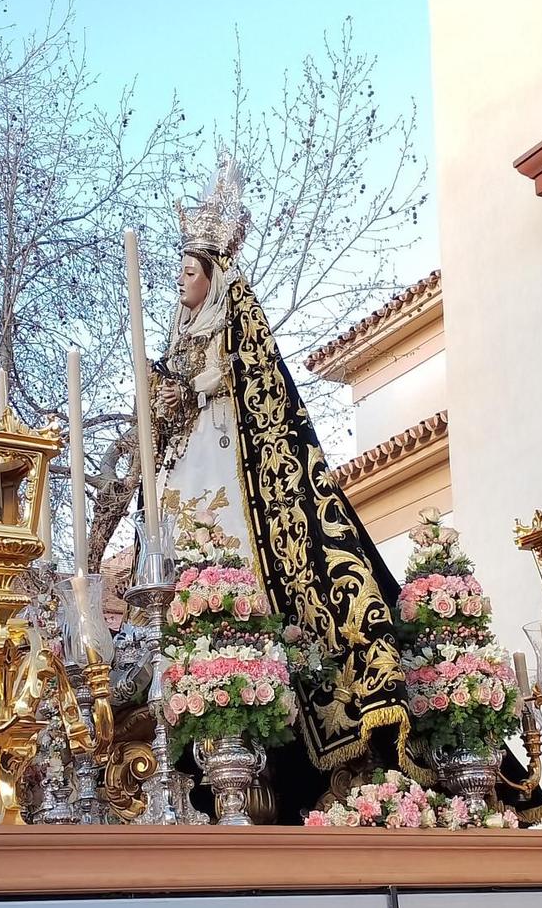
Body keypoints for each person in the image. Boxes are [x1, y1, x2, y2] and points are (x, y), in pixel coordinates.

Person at [147, 151, 418, 788]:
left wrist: (193, 389)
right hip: (190, 464)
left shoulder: (235, 322)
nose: (182, 283)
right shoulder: (181, 335)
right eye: (180, 273)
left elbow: (252, 386)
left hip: (231, 459)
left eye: (190, 272)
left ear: (212, 276)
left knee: (234, 555)